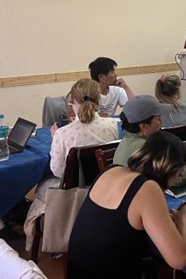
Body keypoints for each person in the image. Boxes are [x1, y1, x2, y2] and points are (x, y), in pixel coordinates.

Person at [68, 131, 186, 278]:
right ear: (169, 170)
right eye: (178, 174)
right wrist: (184, 220)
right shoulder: (148, 188)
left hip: (77, 271)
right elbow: (179, 260)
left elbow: (116, 224)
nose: (175, 180)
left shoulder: (111, 170)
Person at [24, 79, 119, 248]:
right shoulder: (112, 125)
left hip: (73, 191)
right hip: (102, 186)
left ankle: (52, 230)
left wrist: (56, 138)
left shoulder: (63, 133)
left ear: (73, 102)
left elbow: (59, 170)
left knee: (42, 185)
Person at [113, 94, 186, 187]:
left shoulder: (126, 141)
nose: (161, 122)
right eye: (158, 119)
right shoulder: (147, 149)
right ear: (144, 126)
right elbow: (178, 180)